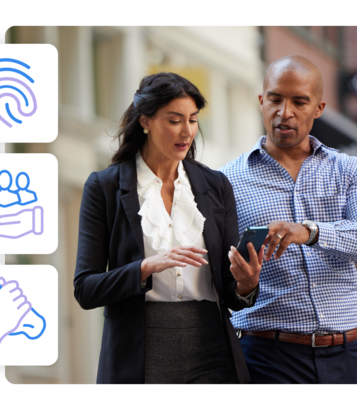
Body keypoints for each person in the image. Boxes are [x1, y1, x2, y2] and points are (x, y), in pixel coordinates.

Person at [73, 72, 264, 386]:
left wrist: (246, 284)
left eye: (193, 119)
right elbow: (86, 288)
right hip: (141, 347)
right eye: (174, 120)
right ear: (145, 121)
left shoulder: (215, 186)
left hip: (211, 344)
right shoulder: (104, 187)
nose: (186, 132)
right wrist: (146, 267)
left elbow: (231, 291)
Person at [219, 55, 357, 386]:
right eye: (275, 99)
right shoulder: (227, 181)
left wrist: (309, 232)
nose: (285, 112)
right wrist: (244, 282)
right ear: (260, 101)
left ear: (318, 108)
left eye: (299, 101)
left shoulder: (350, 171)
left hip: (347, 356)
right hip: (267, 358)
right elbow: (220, 278)